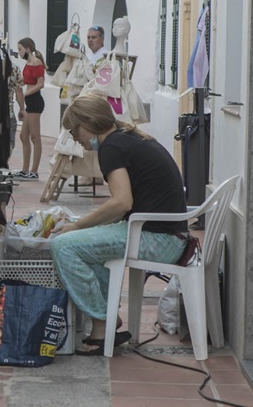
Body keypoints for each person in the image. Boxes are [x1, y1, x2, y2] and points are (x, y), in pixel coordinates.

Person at [50, 93, 188, 356]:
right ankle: (106, 318)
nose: (74, 137)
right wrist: (84, 226)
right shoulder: (127, 136)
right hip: (168, 235)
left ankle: (103, 322)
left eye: (73, 129)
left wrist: (76, 227)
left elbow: (121, 203)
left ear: (87, 123)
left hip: (159, 240)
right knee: (87, 245)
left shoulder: (111, 148)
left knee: (64, 247)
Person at [13, 38, 46, 180]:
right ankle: (25, 169)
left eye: (20, 49)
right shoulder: (27, 64)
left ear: (27, 48)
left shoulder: (37, 63)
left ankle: (34, 170)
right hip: (29, 102)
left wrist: (26, 93)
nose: (19, 52)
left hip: (35, 101)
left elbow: (41, 84)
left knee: (35, 137)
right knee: (23, 135)